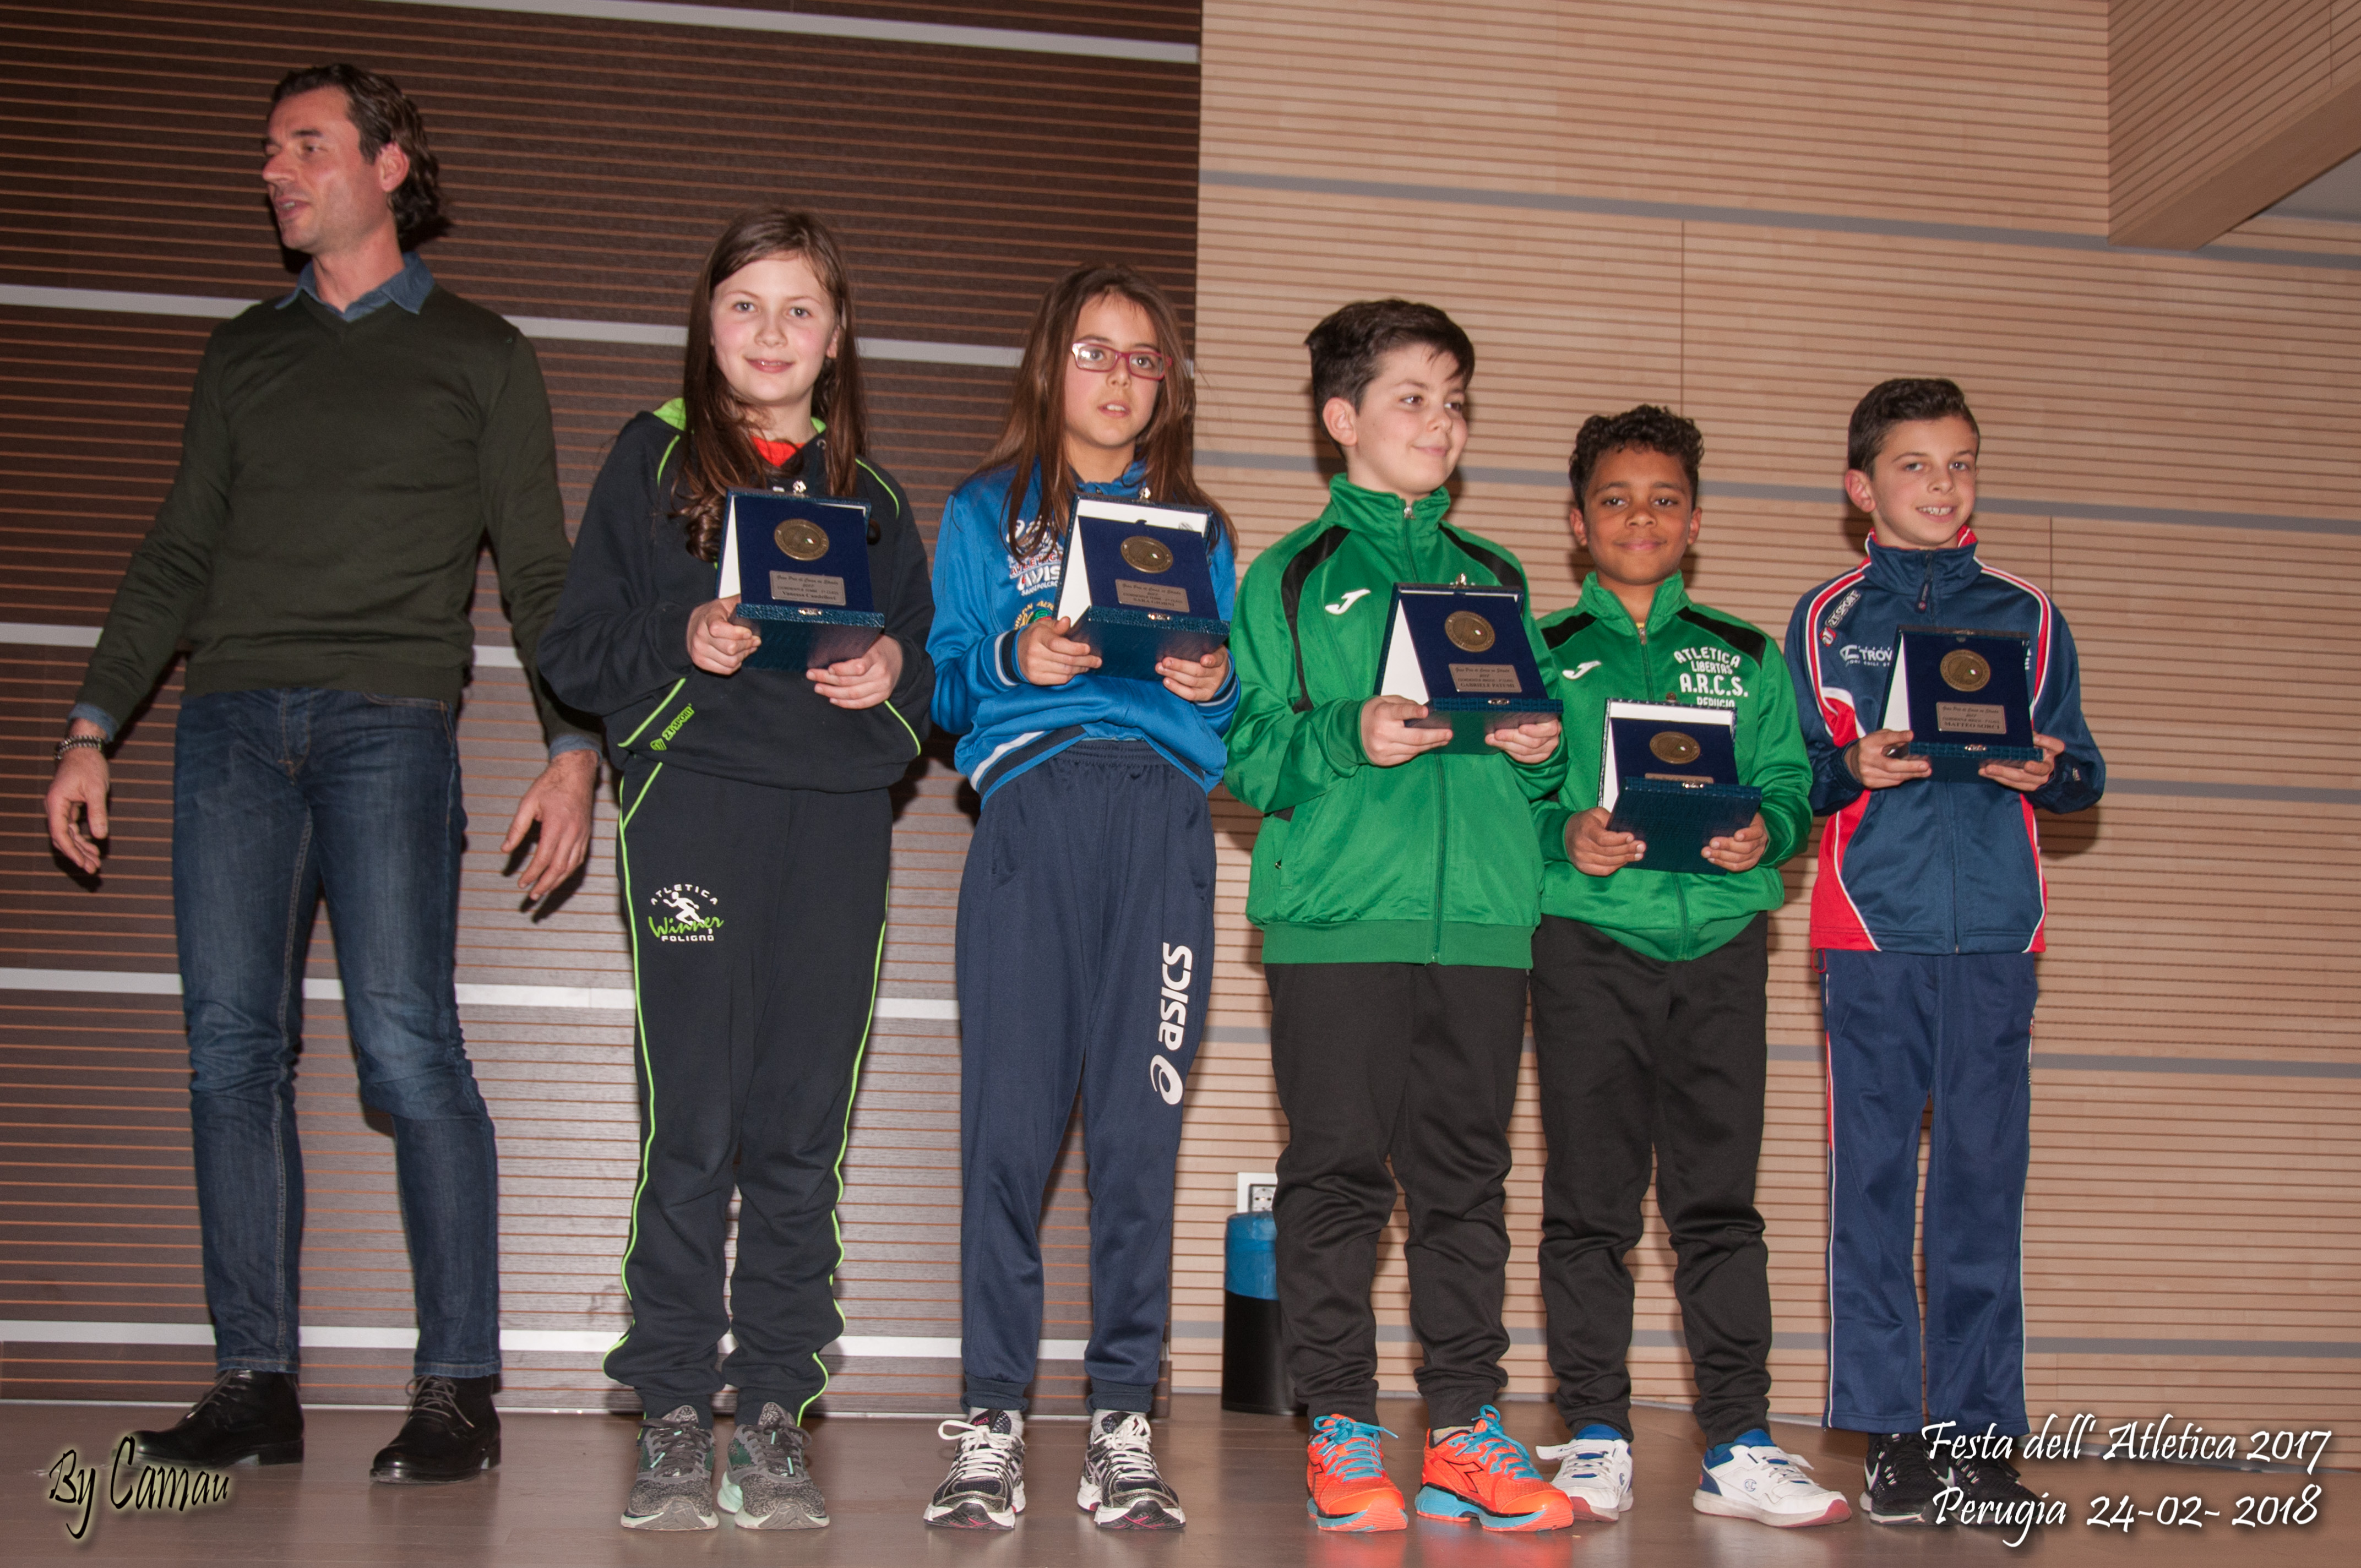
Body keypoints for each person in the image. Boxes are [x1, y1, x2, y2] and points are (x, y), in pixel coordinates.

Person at [38, 63, 597, 1484]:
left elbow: (537, 568)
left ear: (389, 164)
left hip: (386, 725)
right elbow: (178, 547)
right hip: (227, 726)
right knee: (230, 1053)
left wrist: (575, 743)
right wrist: (93, 724)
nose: (274, 171)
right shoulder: (244, 353)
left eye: (305, 144)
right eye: (268, 149)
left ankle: (457, 1389)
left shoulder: (481, 352)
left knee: (407, 1046)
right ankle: (255, 1384)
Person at [536, 209, 934, 1532]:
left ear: (837, 334)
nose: (772, 332)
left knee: (800, 1128)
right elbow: (573, 648)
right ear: (707, 323)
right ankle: (668, 1405)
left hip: (834, 823)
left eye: (799, 308)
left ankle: (771, 1408)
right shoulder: (648, 457)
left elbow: (925, 675)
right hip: (693, 807)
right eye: (745, 305)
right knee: (693, 1119)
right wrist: (684, 628)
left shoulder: (875, 497)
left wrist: (895, 668)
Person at [1223, 300, 1571, 1534]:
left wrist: (1542, 748)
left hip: (1481, 920)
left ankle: (1465, 1431)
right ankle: (1340, 1426)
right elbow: (1246, 753)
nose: (1440, 420)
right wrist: (1344, 730)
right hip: (1338, 920)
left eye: (1454, 399)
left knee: (1466, 1183)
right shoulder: (1290, 575)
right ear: (1341, 419)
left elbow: (1544, 764)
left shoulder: (1498, 577)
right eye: (1412, 397)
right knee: (1335, 1179)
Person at [921, 262, 1236, 1532]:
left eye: (1143, 358)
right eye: (1095, 351)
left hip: (1160, 825)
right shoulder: (981, 508)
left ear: (1167, 386)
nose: (1118, 376)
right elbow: (945, 685)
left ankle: (1121, 1418)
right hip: (1032, 817)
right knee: (1006, 1133)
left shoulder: (1198, 528)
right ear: (1050, 365)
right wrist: (1017, 652)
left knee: (1136, 1138)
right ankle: (991, 1416)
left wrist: (1211, 678)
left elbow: (1230, 700)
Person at [1783, 378, 2103, 1524]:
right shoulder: (1825, 618)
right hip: (1870, 933)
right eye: (1914, 465)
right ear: (1860, 487)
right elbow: (1789, 777)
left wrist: (2050, 771)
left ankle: (1978, 1437)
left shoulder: (2029, 613)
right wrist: (1848, 766)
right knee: (1869, 1189)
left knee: (1981, 1190)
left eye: (1959, 463)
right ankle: (1892, 1442)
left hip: (1998, 939)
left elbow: (2082, 770)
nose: (1941, 484)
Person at [1524, 406, 1845, 1528]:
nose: (1640, 517)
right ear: (1578, 522)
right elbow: (1508, 792)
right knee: (1589, 1203)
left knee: (1718, 1203)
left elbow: (1791, 783)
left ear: (1695, 521)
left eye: (1664, 499)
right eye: (1614, 499)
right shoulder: (1541, 652)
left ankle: (1739, 1443)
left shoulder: (1744, 653)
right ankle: (1595, 1434)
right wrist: (1563, 833)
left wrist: (1771, 831)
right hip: (1585, 945)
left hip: (1718, 948)